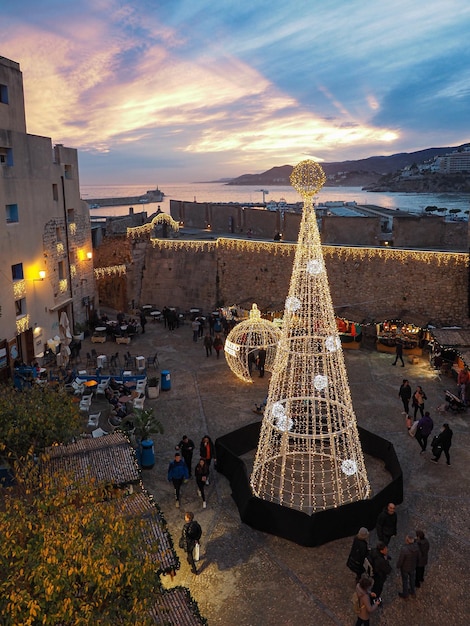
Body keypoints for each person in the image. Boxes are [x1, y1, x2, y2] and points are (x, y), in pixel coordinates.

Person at [397, 532, 419, 599]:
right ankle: (412, 591)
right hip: (413, 566)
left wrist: (398, 565)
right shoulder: (416, 547)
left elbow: (401, 560)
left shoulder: (404, 549)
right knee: (412, 579)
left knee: (405, 581)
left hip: (405, 568)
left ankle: (405, 594)